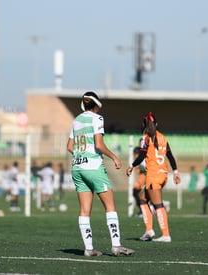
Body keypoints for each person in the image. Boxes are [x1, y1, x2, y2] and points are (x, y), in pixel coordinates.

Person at [67, 91, 134, 257]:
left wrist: (81, 156)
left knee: (84, 210)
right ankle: (116, 245)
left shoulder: (76, 120)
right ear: (96, 105)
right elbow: (99, 144)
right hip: (93, 167)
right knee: (110, 207)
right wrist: (114, 157)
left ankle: (89, 249)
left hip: (77, 167)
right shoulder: (97, 118)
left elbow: (69, 146)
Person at [126, 111, 181, 243]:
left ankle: (166, 234)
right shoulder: (163, 137)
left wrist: (132, 166)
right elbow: (170, 156)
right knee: (143, 199)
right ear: (156, 124)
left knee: (158, 205)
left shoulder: (146, 138)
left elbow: (142, 156)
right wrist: (176, 172)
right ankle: (149, 230)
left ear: (144, 124)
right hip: (163, 175)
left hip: (153, 176)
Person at [132, 146, 146, 217]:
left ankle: (144, 211)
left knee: (143, 196)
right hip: (142, 176)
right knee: (135, 192)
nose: (133, 156)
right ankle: (142, 210)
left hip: (147, 176)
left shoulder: (142, 160)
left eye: (134, 154)